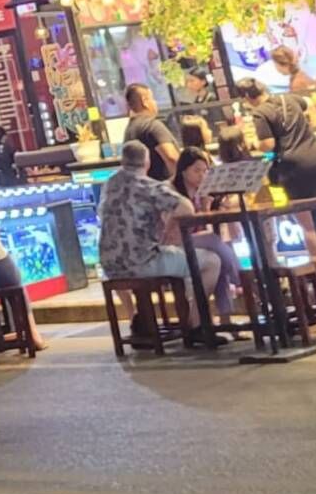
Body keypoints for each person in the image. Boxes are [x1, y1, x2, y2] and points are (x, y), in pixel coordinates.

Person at [98, 141, 228, 349]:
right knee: (211, 262)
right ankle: (196, 325)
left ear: (123, 161)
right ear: (147, 162)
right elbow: (185, 208)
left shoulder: (110, 184)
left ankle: (143, 324)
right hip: (143, 261)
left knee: (175, 256)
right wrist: (167, 226)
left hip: (109, 264)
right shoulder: (148, 186)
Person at [235, 75, 316, 259]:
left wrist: (253, 142)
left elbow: (268, 145)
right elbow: (309, 102)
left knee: (310, 227)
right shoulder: (287, 98)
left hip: (295, 168)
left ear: (246, 97)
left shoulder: (260, 113)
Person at [169, 144, 241, 326]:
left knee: (219, 256)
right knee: (214, 240)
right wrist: (203, 207)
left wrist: (206, 205)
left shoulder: (201, 191)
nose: (202, 175)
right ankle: (241, 279)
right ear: (183, 171)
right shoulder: (172, 192)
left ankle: (226, 320)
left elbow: (202, 224)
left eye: (205, 171)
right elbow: (183, 227)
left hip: (194, 241)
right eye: (197, 171)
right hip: (175, 242)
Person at [122, 82, 179, 181]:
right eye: (152, 99)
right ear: (145, 101)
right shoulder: (152, 125)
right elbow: (171, 157)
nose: (155, 103)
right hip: (161, 185)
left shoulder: (130, 129)